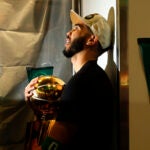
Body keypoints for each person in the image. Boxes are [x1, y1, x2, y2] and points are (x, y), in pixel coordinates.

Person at [24, 9, 115, 150]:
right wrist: (39, 107)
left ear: (92, 39)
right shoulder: (91, 77)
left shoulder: (83, 82)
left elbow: (58, 139)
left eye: (77, 28)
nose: (68, 33)